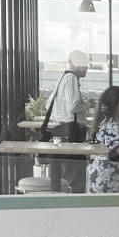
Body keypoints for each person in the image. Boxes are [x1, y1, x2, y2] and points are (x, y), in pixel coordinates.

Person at [41, 49, 91, 193]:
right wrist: (90, 104)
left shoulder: (62, 78)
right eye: (85, 64)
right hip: (72, 133)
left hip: (61, 131)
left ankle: (62, 201)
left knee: (65, 173)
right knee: (74, 174)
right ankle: (73, 204)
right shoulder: (71, 79)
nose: (87, 68)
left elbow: (48, 104)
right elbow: (74, 106)